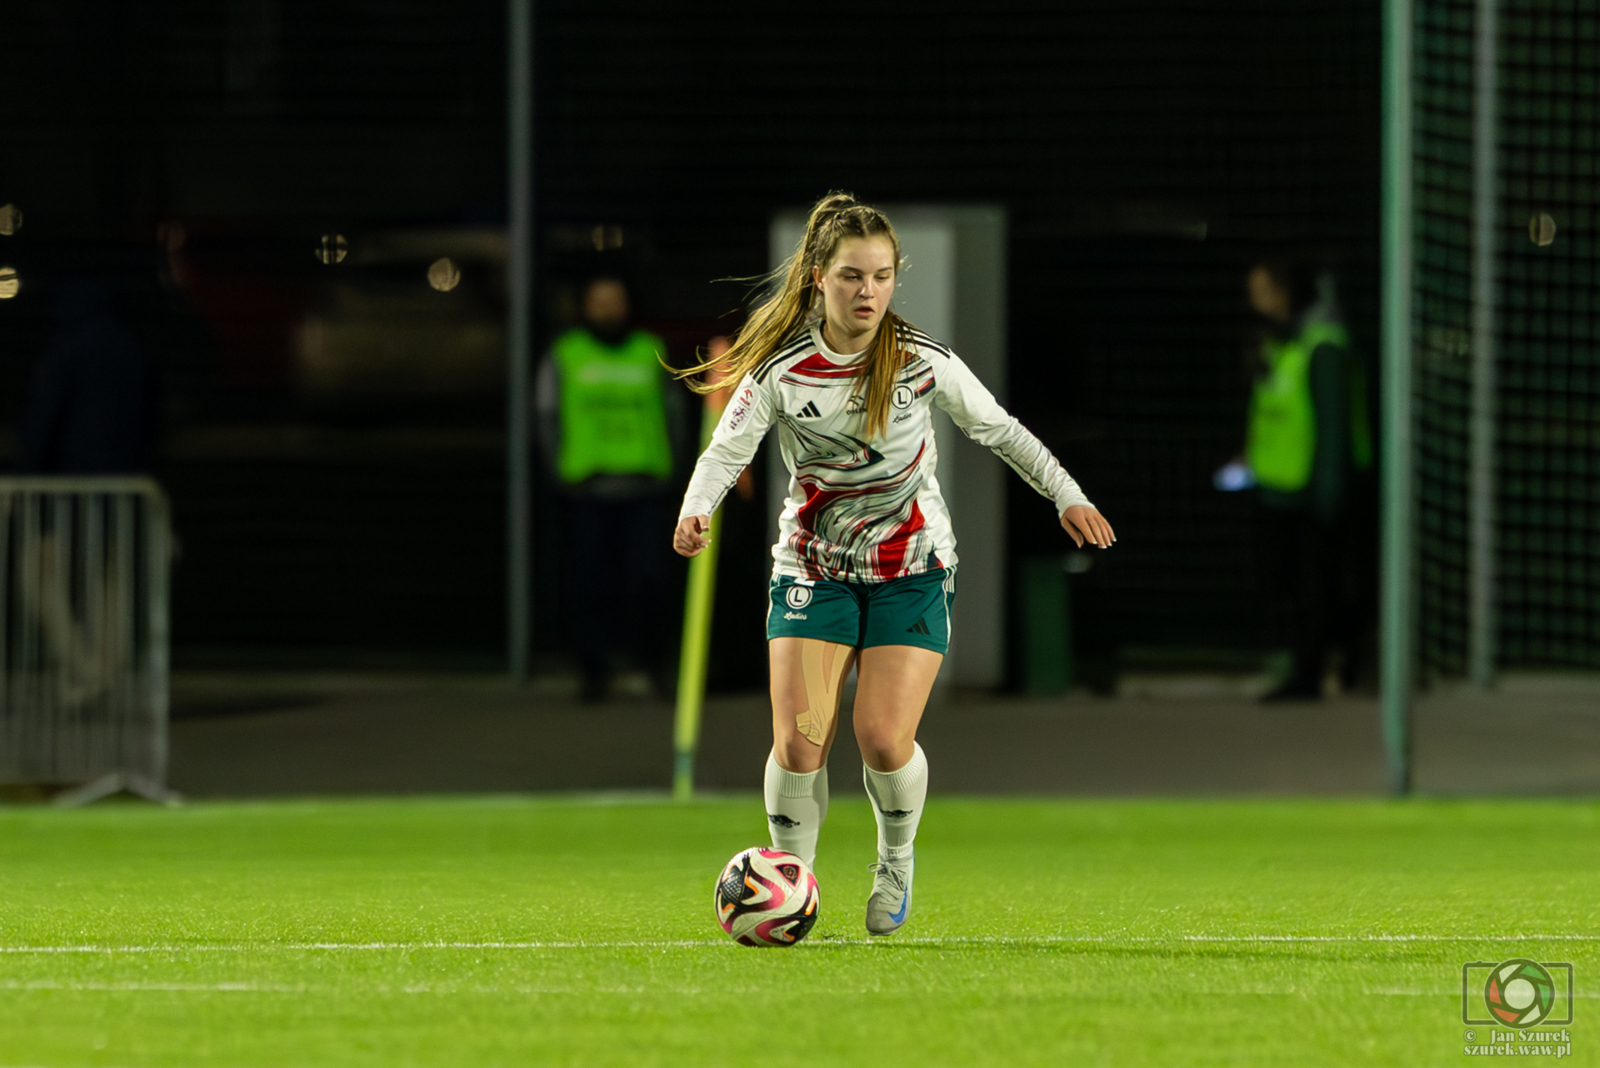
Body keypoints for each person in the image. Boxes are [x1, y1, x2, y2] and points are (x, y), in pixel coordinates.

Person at [672, 193, 1115, 936]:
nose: (867, 291)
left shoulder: (920, 361)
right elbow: (727, 449)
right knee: (800, 740)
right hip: (816, 571)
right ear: (819, 278)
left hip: (911, 568)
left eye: (880, 276)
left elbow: (1001, 430)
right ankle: (793, 883)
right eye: (851, 276)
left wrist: (1066, 494)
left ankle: (896, 860)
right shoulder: (783, 369)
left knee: (881, 737)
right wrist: (697, 508)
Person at [537, 276, 680, 700]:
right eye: (599, 302)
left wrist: (675, 470)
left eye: (614, 301)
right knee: (588, 586)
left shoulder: (650, 351)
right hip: (588, 489)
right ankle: (593, 673)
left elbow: (674, 413)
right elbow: (546, 417)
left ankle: (651, 666)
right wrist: (559, 472)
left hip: (644, 487)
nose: (608, 310)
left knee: (648, 583)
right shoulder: (566, 355)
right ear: (584, 307)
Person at [1243, 260, 1373, 701]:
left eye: (1262, 288)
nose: (1254, 297)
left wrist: (1330, 490)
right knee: (1300, 587)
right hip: (1283, 485)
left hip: (1311, 488)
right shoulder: (1282, 342)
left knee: (1320, 587)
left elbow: (1332, 423)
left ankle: (1318, 671)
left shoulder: (1321, 344)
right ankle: (1317, 667)